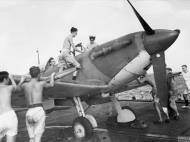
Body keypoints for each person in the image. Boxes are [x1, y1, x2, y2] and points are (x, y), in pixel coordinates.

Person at [18, 66, 55, 142]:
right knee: (37, 138)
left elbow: (16, 89)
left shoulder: (25, 85)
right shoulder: (42, 83)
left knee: (32, 138)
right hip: (38, 111)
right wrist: (52, 76)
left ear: (30, 75)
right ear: (39, 75)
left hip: (29, 113)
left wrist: (21, 80)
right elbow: (51, 85)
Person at [0, 71, 18, 142]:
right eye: (8, 79)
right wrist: (12, 78)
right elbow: (15, 87)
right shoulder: (9, 88)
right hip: (10, 116)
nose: (9, 80)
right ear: (4, 79)